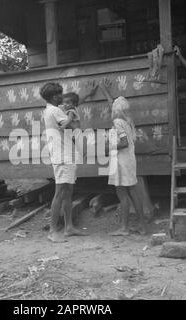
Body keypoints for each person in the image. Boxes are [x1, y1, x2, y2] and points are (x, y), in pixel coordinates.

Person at [40, 82, 88, 243]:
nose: (63, 96)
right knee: (60, 192)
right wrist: (73, 118)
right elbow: (72, 126)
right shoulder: (55, 111)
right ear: (55, 96)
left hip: (65, 153)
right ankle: (53, 231)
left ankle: (69, 227)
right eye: (60, 94)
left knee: (67, 192)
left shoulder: (50, 110)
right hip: (62, 156)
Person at [99, 79, 148, 236]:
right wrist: (106, 92)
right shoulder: (128, 121)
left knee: (122, 195)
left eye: (113, 107)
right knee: (133, 192)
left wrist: (107, 147)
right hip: (128, 161)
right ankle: (142, 226)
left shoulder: (117, 122)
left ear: (116, 110)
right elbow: (114, 104)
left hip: (120, 161)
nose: (111, 107)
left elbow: (124, 143)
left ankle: (124, 228)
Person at [61, 81, 98, 161]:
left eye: (67, 103)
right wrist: (88, 94)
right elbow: (76, 102)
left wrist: (64, 125)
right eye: (64, 102)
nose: (64, 104)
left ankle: (82, 154)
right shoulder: (68, 107)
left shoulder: (70, 110)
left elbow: (70, 118)